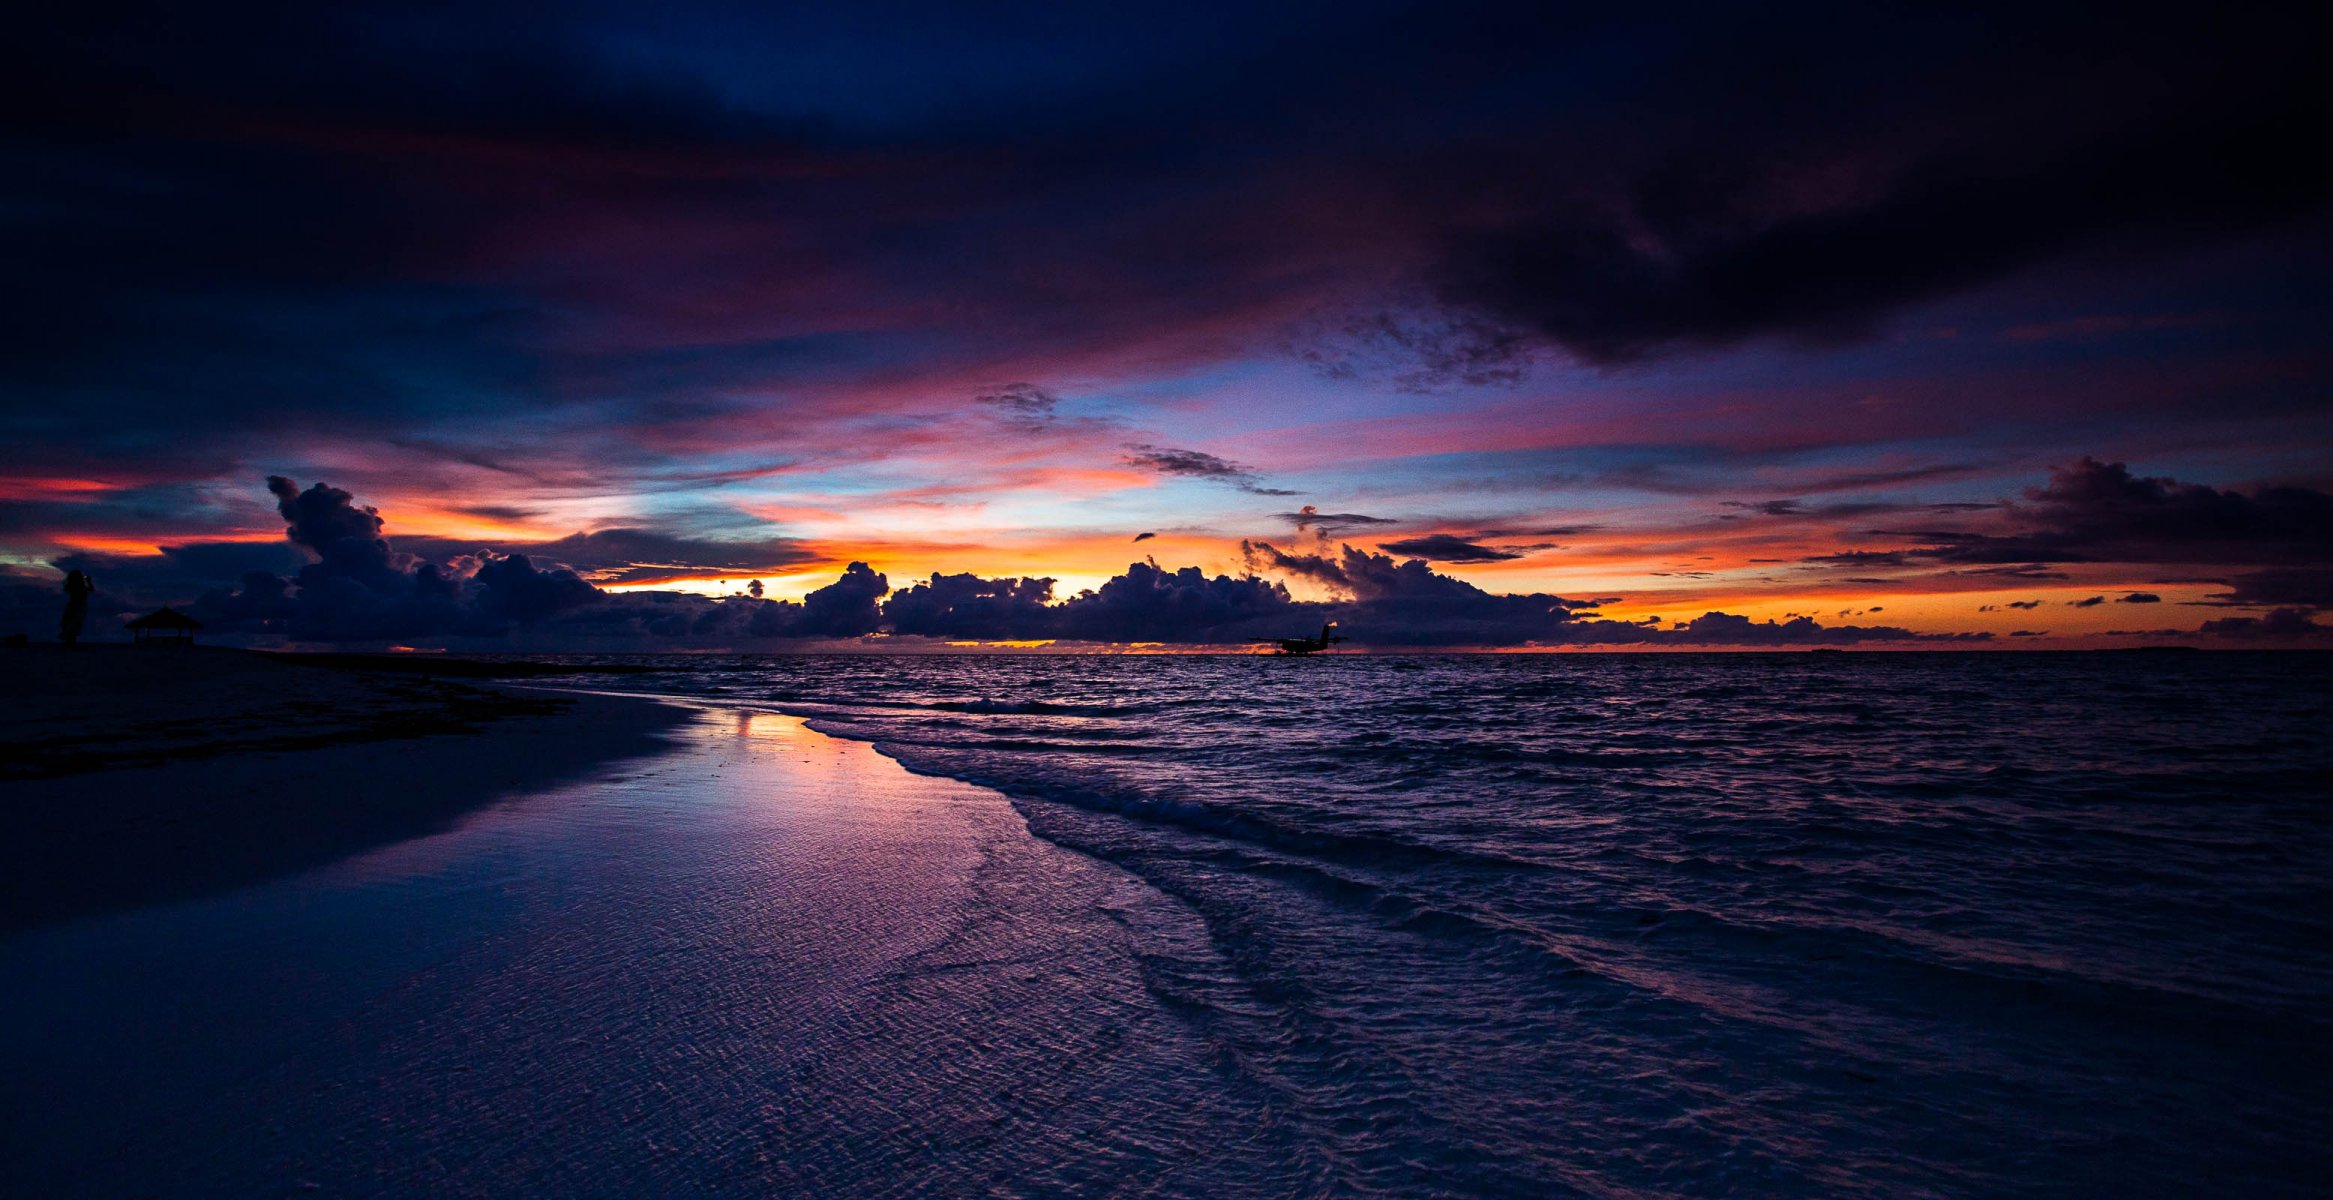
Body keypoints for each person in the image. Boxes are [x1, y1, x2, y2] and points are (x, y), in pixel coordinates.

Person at [60, 569, 93, 647]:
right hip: (77, 606)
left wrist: (88, 582)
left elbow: (65, 588)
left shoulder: (74, 585)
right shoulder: (79, 586)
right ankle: (71, 643)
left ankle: (70, 642)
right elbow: (90, 589)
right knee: (71, 624)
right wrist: (88, 581)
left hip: (75, 606)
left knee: (71, 623)